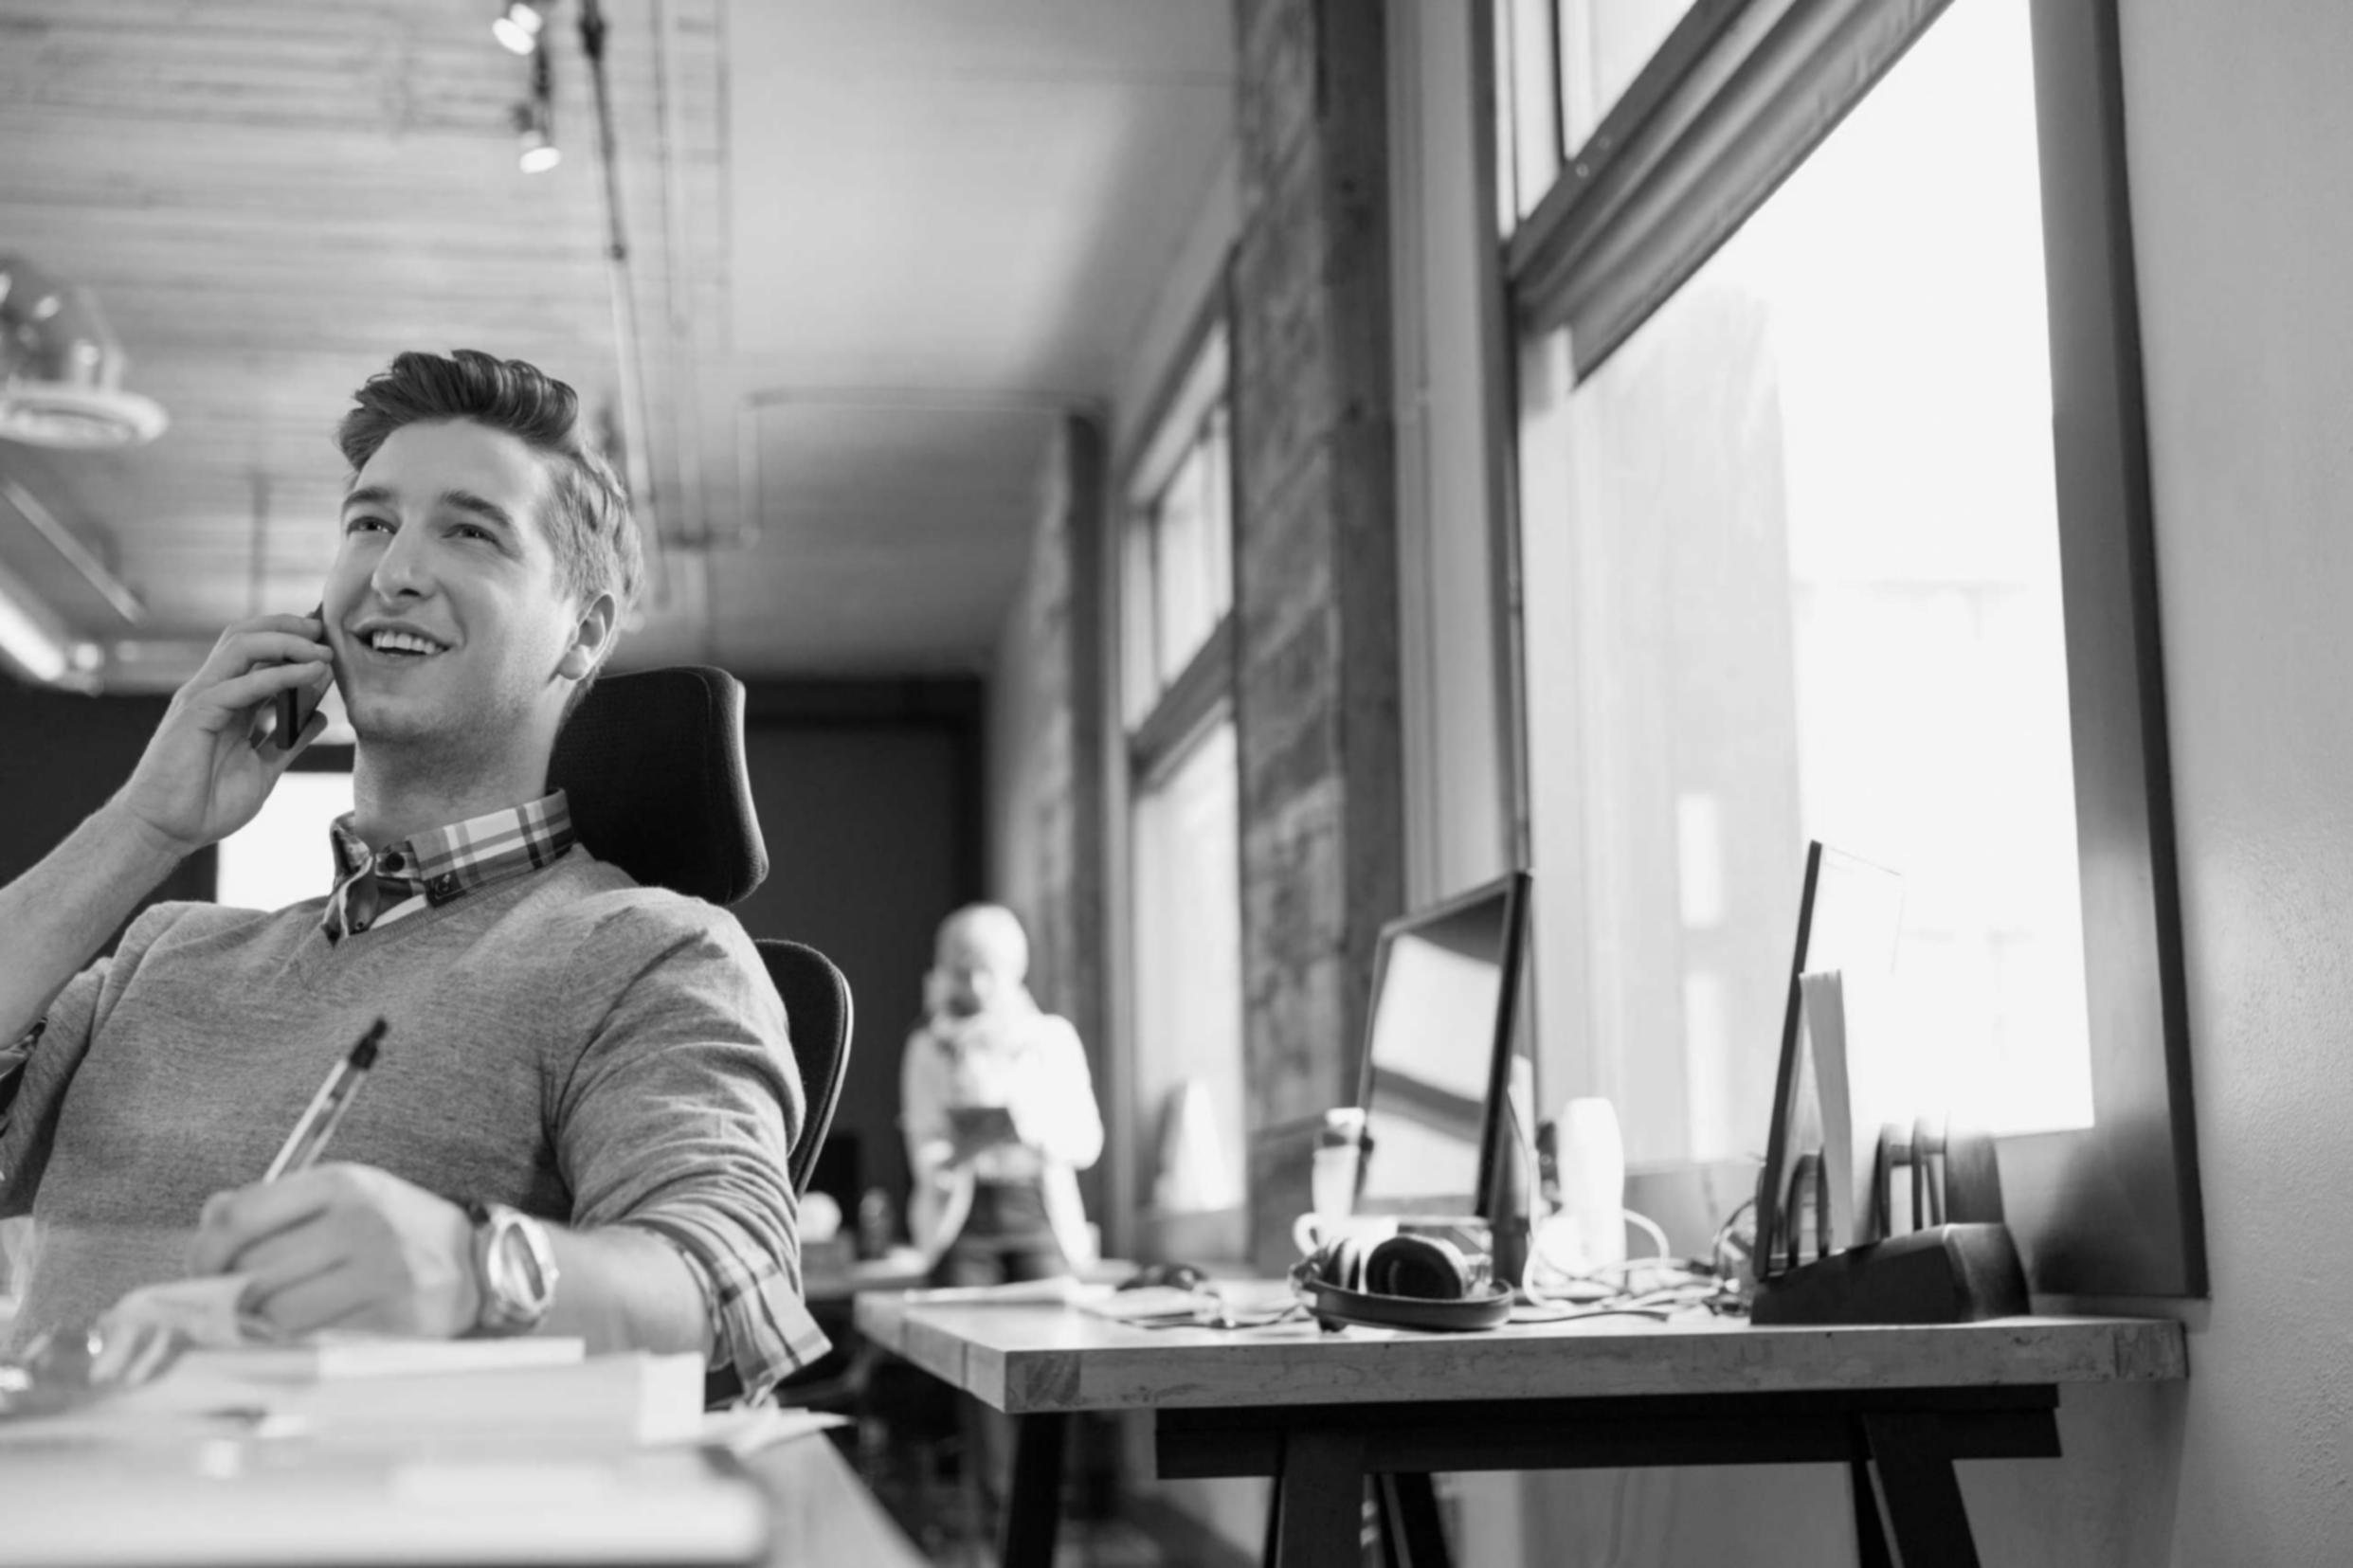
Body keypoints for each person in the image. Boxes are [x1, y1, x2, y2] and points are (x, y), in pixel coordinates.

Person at [0, 350, 826, 1398]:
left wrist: (473, 1269)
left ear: (584, 630)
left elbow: (733, 1287)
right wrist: (143, 825)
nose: (393, 569)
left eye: (470, 531)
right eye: (369, 522)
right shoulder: (168, 948)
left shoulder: (645, 950)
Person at [900, 904, 1102, 1286]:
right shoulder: (928, 1046)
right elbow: (923, 1139)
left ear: (1014, 969)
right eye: (963, 973)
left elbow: (1086, 1143)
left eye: (988, 972)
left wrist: (1027, 1131)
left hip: (1038, 1215)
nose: (976, 987)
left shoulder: (1051, 1039)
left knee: (1053, 1328)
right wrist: (954, 1155)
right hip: (962, 1219)